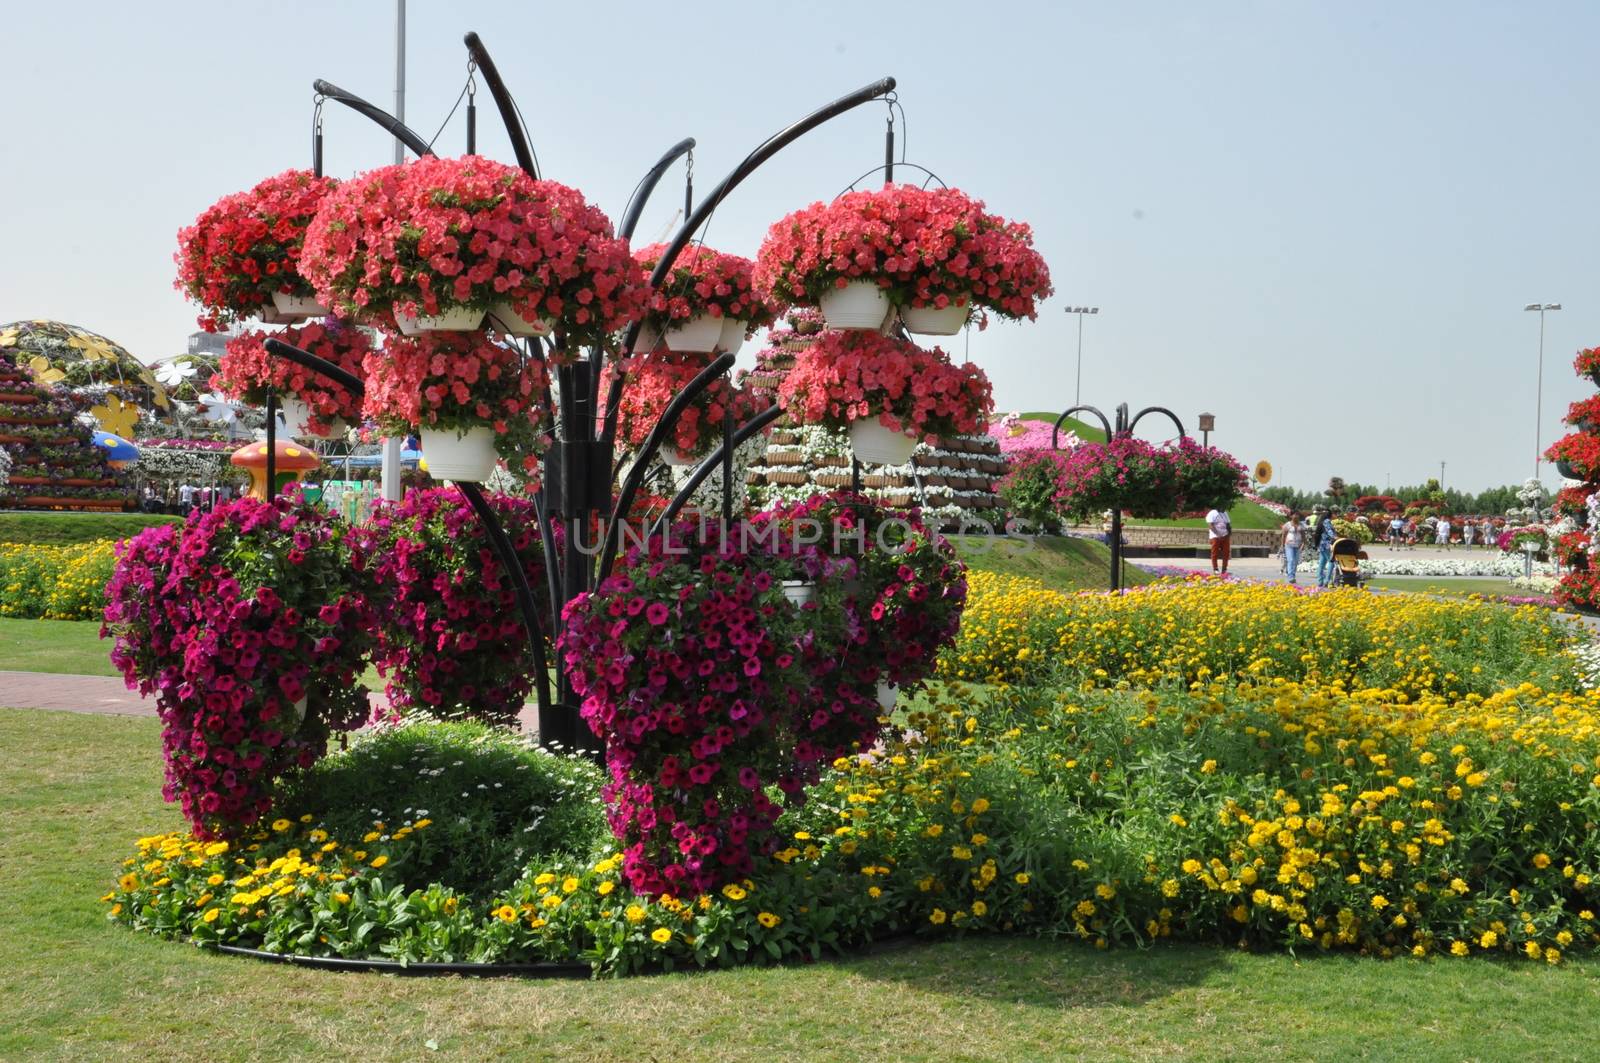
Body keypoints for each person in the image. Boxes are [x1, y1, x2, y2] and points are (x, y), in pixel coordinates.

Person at [1315, 505, 1340, 588]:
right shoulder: (1327, 521)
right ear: (1330, 514)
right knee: (1331, 562)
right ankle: (1327, 581)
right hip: (1327, 545)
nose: (1335, 515)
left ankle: (1320, 581)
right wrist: (1335, 537)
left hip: (1322, 544)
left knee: (1322, 563)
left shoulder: (1321, 521)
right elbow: (1329, 531)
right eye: (1334, 513)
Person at [1279, 510, 1305, 584]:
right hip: (1289, 545)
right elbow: (1283, 535)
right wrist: (1282, 544)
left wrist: (1303, 544)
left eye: (1297, 514)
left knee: (1295, 561)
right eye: (1294, 514)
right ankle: (1291, 577)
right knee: (1290, 560)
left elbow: (1303, 536)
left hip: (1298, 545)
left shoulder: (1301, 525)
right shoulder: (1287, 525)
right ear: (1291, 516)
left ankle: (1293, 575)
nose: (1296, 516)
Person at [1205, 505, 1232, 575]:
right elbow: (1210, 525)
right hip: (1215, 536)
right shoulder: (1212, 513)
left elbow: (1228, 524)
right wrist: (1218, 534)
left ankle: (1224, 569)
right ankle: (1215, 569)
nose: (1225, 509)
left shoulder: (1225, 513)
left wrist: (1229, 534)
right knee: (1215, 553)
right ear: (1219, 507)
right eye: (1224, 507)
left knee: (1226, 553)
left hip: (1225, 536)